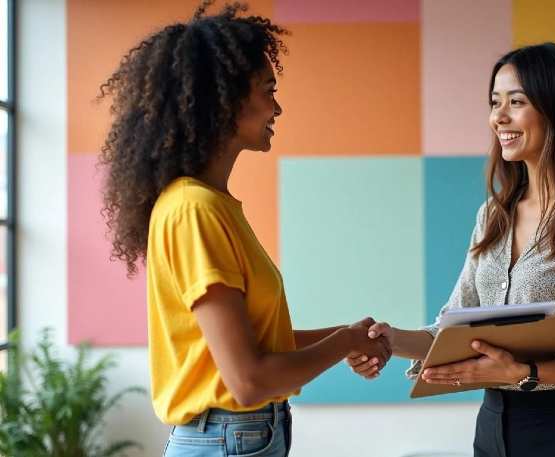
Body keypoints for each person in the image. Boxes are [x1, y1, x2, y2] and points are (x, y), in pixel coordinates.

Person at [98, 2, 389, 456]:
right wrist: (344, 343)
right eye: (268, 90)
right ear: (225, 100)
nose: (278, 106)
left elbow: (256, 347)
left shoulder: (211, 205)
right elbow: (249, 380)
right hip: (229, 439)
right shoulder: (193, 210)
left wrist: (347, 335)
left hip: (241, 438)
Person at [349, 42, 555, 457]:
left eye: (516, 102)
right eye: (494, 102)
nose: (497, 117)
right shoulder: (492, 215)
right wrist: (387, 340)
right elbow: (452, 333)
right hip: (492, 428)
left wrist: (527, 373)